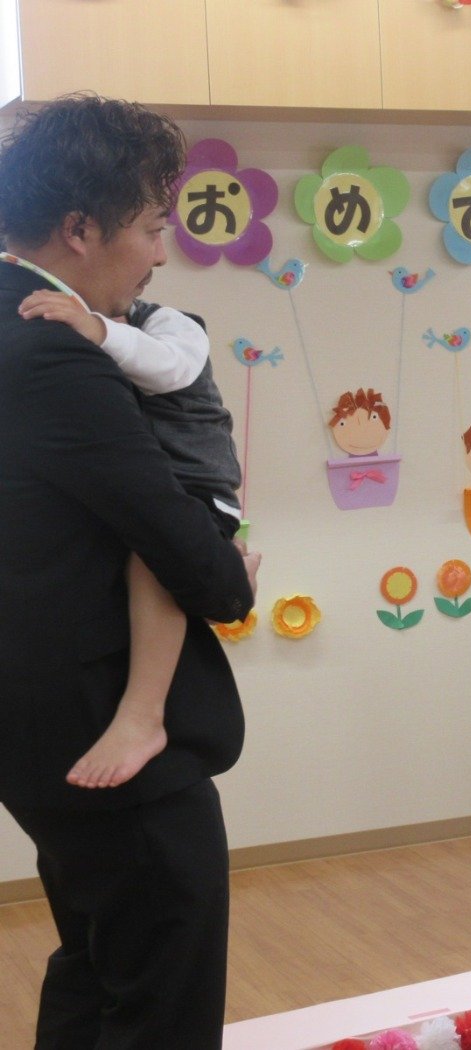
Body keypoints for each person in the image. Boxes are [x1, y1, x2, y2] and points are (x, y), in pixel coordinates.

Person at [0, 95, 258, 1048]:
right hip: (104, 729)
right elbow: (171, 530)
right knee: (160, 998)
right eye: (151, 228)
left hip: (37, 726)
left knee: (95, 967)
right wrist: (231, 578)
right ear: (80, 229)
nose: (158, 254)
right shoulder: (51, 353)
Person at [16, 291, 242, 791]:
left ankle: (144, 714)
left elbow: (168, 368)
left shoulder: (175, 324)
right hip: (150, 495)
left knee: (156, 557)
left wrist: (95, 328)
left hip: (199, 490)